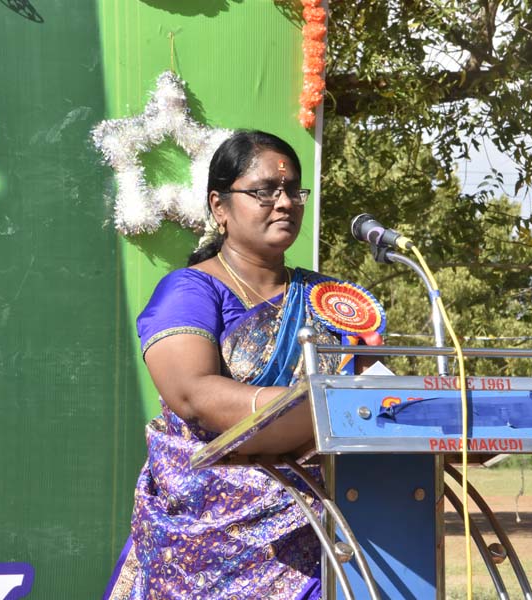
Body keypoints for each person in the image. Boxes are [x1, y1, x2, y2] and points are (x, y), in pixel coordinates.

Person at [105, 131, 372, 600]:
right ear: (220, 206)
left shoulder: (328, 298)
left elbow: (368, 391)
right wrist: (307, 406)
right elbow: (191, 393)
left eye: (293, 191)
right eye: (264, 191)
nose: (284, 203)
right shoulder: (191, 291)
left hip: (324, 527)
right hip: (207, 540)